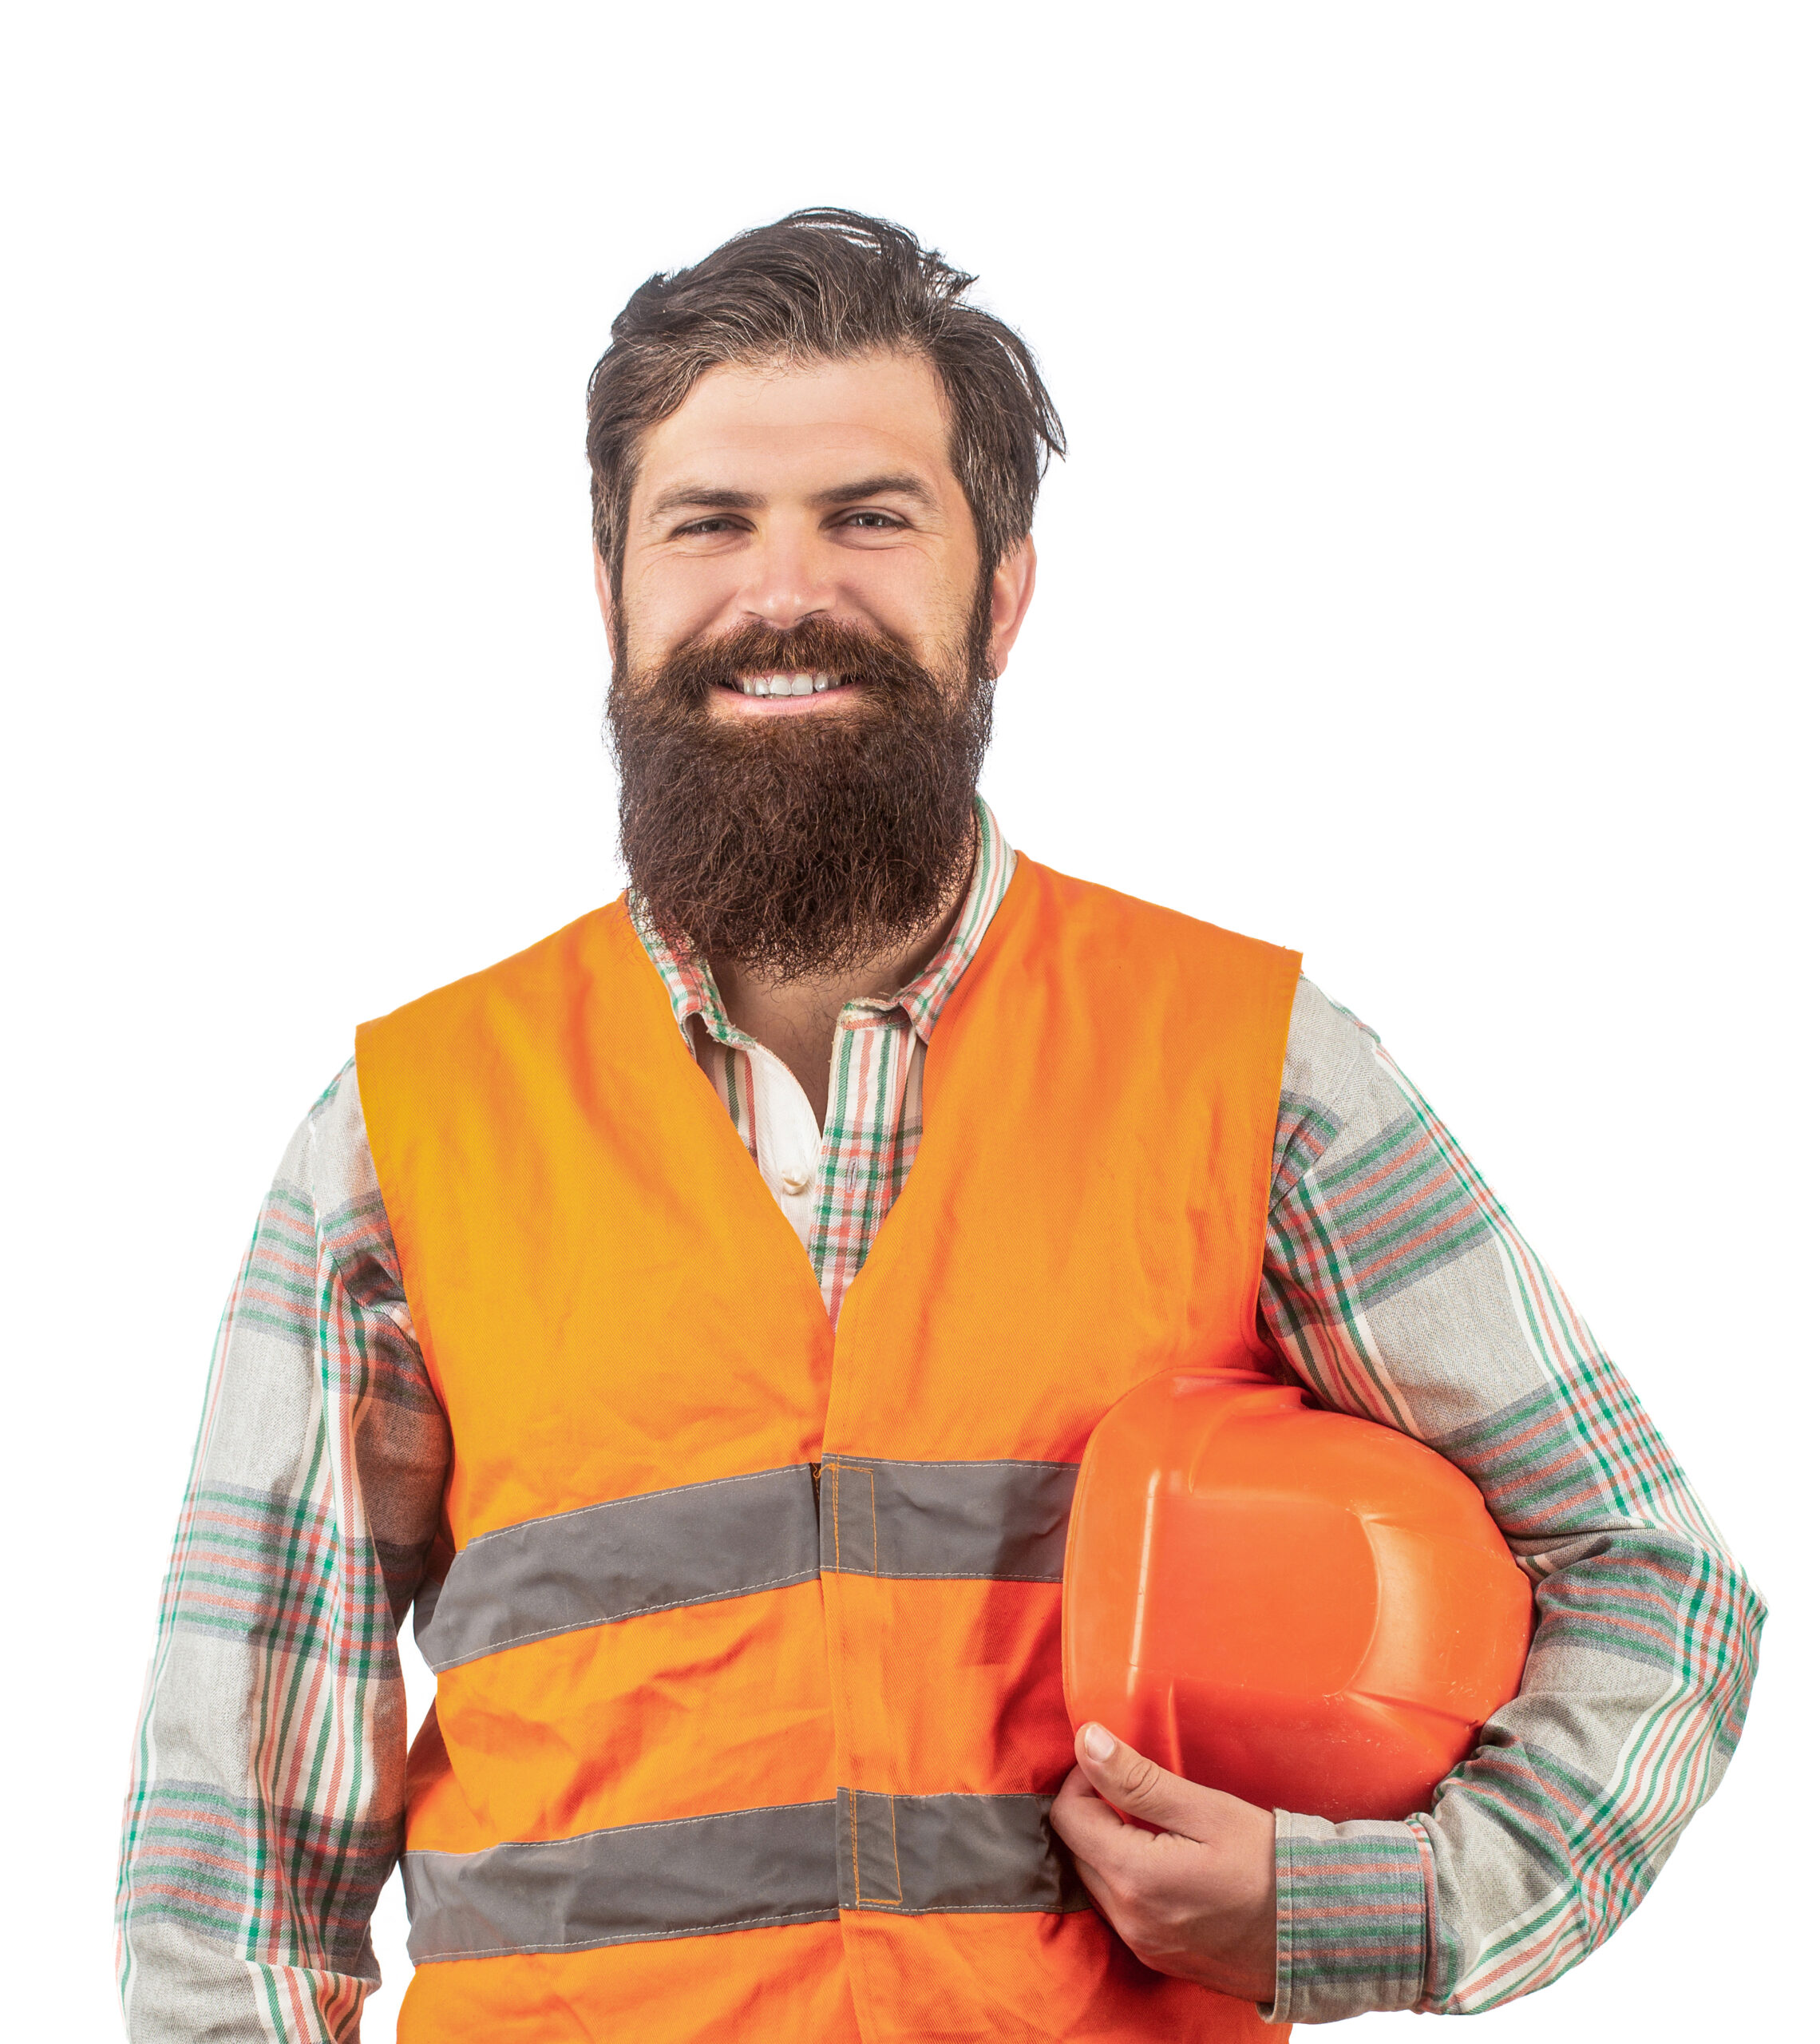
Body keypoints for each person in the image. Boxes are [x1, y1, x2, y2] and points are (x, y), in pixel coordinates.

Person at [114, 209, 1762, 2042]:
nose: (786, 588)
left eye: (870, 516)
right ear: (612, 591)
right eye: (711, 522)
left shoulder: (1256, 1069)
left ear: (1004, 593)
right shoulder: (398, 1133)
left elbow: (1653, 1580)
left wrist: (1361, 1910)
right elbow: (230, 1879)